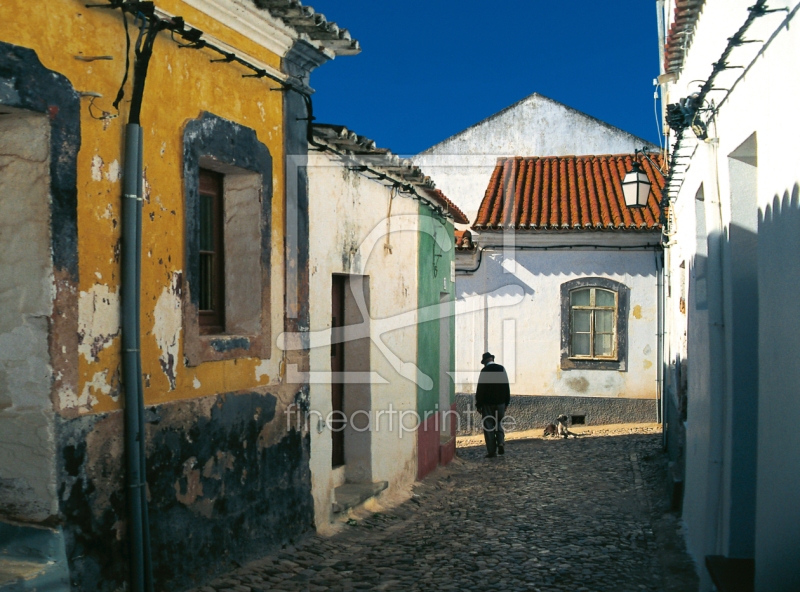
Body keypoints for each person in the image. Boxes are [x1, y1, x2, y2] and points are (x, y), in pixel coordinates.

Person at [475, 352, 511, 458]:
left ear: (485, 361)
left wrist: (478, 405)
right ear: (492, 359)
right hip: (500, 403)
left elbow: (480, 389)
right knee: (498, 423)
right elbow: (506, 386)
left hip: (487, 404)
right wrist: (506, 402)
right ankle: (500, 442)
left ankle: (491, 451)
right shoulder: (501, 369)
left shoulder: (484, 371)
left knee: (488, 426)